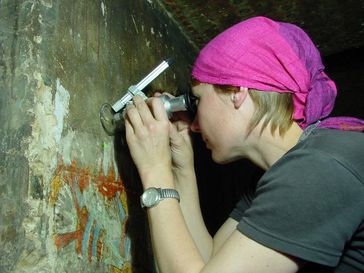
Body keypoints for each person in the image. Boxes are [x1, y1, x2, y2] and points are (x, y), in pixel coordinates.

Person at [124, 16, 364, 273]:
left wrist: (154, 169)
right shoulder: (278, 174)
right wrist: (181, 167)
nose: (194, 125)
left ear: (238, 92)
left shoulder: (320, 167)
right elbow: (210, 261)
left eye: (198, 99)